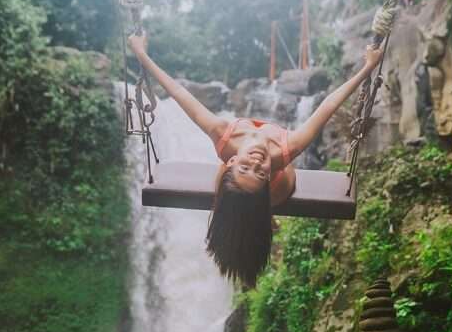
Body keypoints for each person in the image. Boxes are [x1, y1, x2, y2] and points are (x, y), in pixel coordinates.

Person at [128, 34, 383, 287]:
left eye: (245, 166)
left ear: (230, 162)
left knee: (229, 192)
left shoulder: (221, 134)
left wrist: (142, 54)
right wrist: (367, 67)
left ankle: (250, 209)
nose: (256, 162)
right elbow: (328, 107)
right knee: (244, 192)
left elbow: (178, 92)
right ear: (268, 176)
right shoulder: (287, 149)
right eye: (260, 172)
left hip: (246, 184)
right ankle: (262, 212)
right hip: (280, 188)